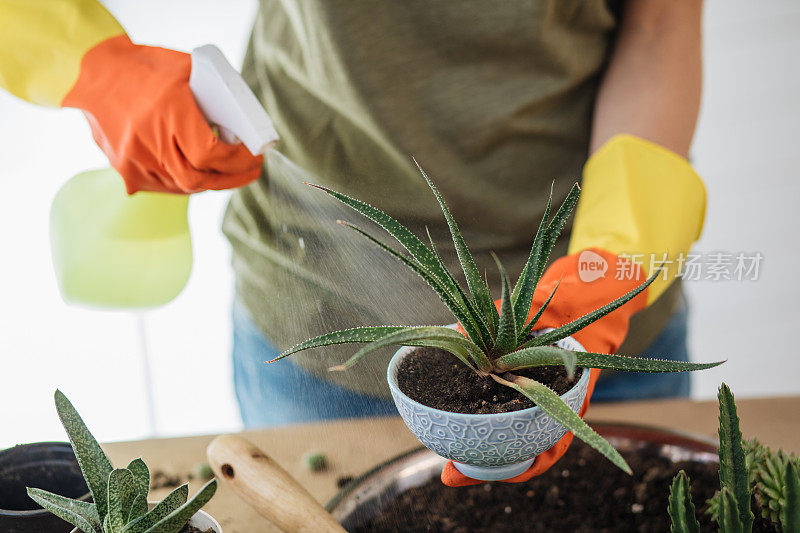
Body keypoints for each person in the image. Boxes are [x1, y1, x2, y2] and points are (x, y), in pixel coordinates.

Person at [0, 0, 705, 484]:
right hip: (319, 306)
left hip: (597, 307)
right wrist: (93, 65)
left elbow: (659, 28)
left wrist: (617, 257)